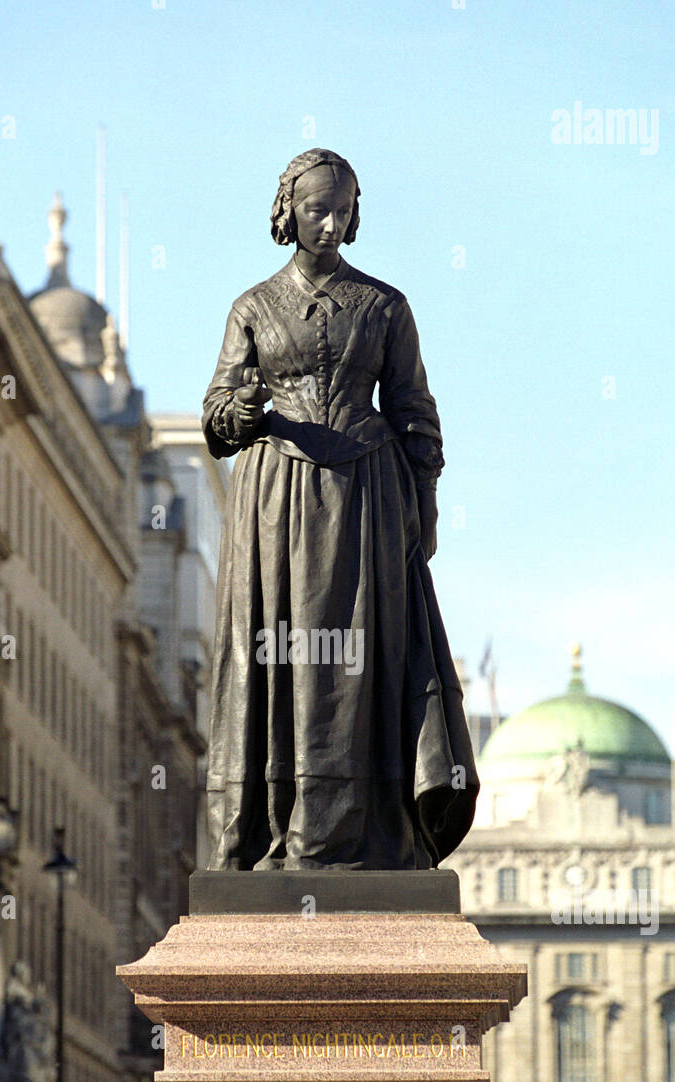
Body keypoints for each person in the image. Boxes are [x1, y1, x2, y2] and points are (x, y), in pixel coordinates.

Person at [202, 148, 478, 871]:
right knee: (280, 654)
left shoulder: (384, 305)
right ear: (286, 211)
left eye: (341, 209)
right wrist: (244, 410)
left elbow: (416, 414)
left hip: (367, 500)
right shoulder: (252, 307)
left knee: (361, 660)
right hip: (274, 501)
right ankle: (270, 830)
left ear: (355, 216)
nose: (328, 223)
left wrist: (425, 511)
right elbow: (214, 421)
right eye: (316, 208)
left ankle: (365, 831)